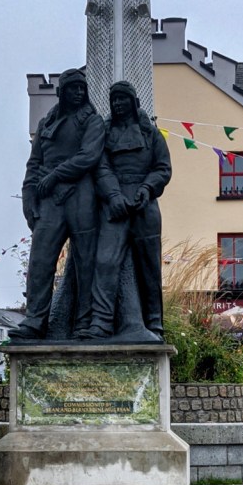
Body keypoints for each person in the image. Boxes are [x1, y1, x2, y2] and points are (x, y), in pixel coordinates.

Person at [13, 68, 105, 339]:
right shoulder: (46, 123)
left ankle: (85, 322)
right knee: (40, 261)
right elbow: (34, 164)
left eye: (81, 88)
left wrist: (55, 176)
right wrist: (29, 202)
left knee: (86, 261)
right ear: (61, 91)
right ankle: (35, 320)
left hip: (81, 197)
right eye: (73, 88)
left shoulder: (92, 121)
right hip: (49, 201)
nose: (78, 92)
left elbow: (88, 156)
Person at [82, 80, 172, 340]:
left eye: (122, 99)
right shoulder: (105, 133)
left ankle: (154, 323)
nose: (118, 104)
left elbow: (163, 168)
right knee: (105, 261)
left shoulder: (151, 134)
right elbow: (100, 167)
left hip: (145, 205)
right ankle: (101, 322)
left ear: (133, 102)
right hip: (115, 206)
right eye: (114, 100)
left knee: (149, 266)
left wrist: (147, 188)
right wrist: (113, 195)